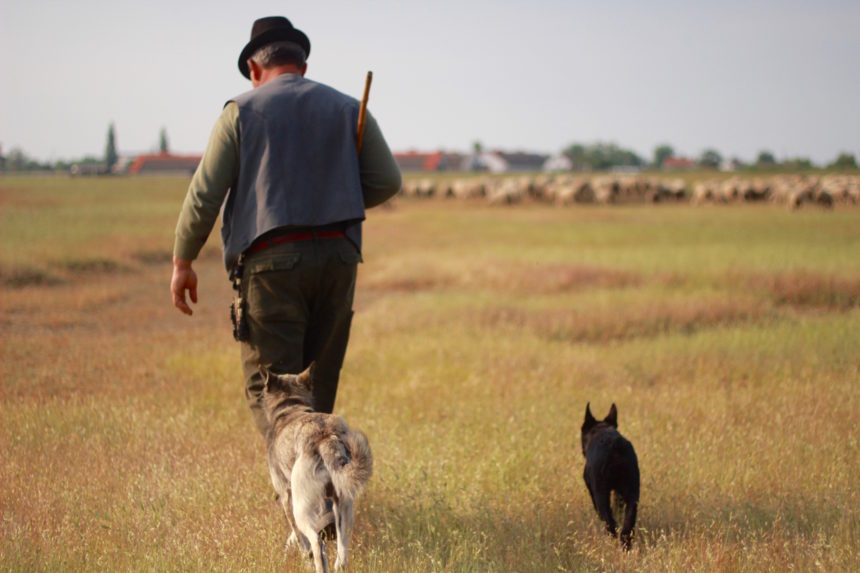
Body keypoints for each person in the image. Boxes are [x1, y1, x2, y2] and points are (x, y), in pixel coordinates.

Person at [170, 16, 402, 437]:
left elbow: (204, 195)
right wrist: (335, 199)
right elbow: (388, 181)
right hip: (338, 258)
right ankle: (322, 487)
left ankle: (299, 497)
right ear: (302, 67)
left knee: (278, 397)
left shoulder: (240, 111)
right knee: (317, 391)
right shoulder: (350, 107)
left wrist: (183, 260)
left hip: (271, 264)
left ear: (254, 70)